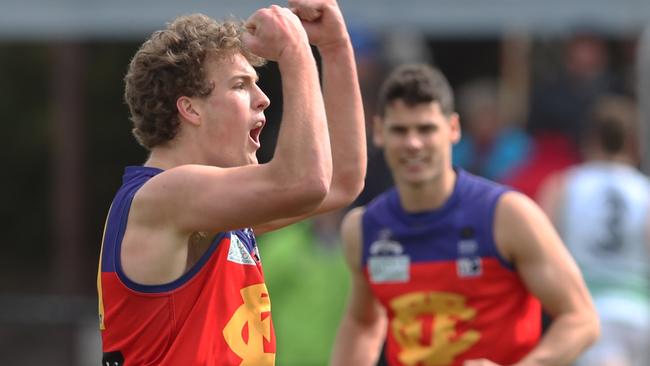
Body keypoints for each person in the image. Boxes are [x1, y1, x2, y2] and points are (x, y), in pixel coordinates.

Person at [96, 0, 366, 364]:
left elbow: (342, 181)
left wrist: (334, 46)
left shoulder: (207, 208)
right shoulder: (165, 195)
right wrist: (295, 50)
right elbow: (307, 181)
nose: (264, 99)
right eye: (241, 86)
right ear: (190, 109)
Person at [330, 63, 598, 366]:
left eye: (426, 129)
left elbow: (581, 318)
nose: (413, 143)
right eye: (400, 130)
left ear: (453, 129)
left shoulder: (507, 215)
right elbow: (363, 324)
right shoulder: (365, 228)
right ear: (379, 132)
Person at [538, 95, 650, 366]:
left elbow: (542, 254)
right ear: (632, 141)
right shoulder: (645, 191)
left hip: (588, 314)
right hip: (640, 314)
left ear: (590, 138)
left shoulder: (563, 186)